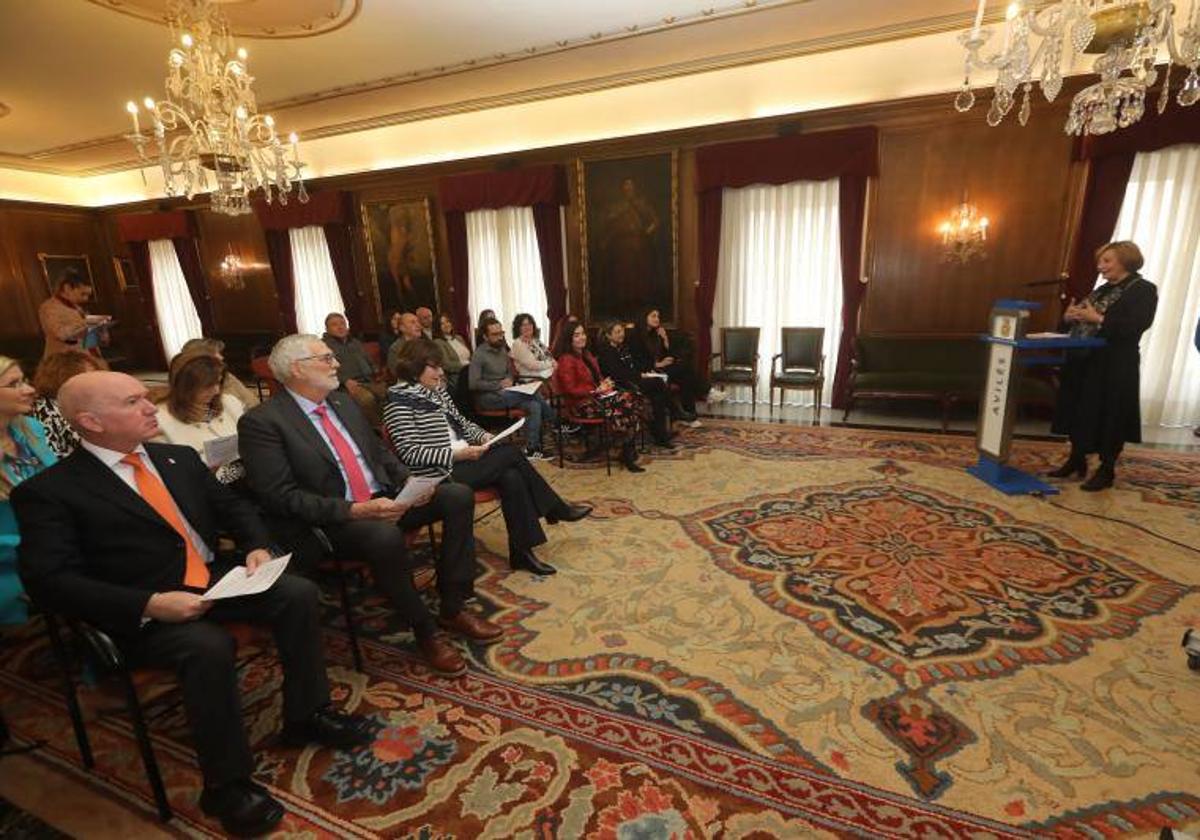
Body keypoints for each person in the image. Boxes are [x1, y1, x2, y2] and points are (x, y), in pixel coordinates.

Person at [12, 371, 372, 837]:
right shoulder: (50, 491)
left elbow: (236, 509)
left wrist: (254, 546)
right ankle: (227, 783)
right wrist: (150, 603)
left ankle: (307, 714)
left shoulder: (175, 458)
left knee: (297, 592)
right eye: (134, 401)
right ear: (91, 421)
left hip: (211, 580)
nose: (150, 407)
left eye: (146, 398)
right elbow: (49, 582)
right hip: (143, 607)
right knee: (206, 646)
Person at [238, 334, 502, 677]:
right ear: (296, 369)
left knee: (457, 495)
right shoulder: (263, 422)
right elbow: (280, 497)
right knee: (383, 537)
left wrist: (410, 482)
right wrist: (355, 511)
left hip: (384, 500)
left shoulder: (343, 403)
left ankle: (452, 605)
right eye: (326, 358)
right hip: (333, 520)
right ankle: (425, 631)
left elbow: (378, 453)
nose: (337, 364)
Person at [385, 340, 591, 577]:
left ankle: (522, 553)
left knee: (511, 476)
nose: (441, 372)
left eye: (440, 366)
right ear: (414, 368)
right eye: (434, 367)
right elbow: (411, 453)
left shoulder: (437, 391)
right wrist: (458, 453)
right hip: (437, 475)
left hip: (463, 459)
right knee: (512, 454)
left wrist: (484, 436)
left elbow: (462, 423)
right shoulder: (398, 402)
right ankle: (555, 508)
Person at [1049, 241, 1158, 491]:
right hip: (1086, 361)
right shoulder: (1101, 291)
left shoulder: (1143, 290)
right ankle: (1076, 461)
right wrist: (1068, 318)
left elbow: (1136, 325)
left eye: (1107, 261)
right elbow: (1081, 322)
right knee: (1079, 410)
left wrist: (1097, 318)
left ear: (1126, 260)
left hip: (1116, 363)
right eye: (1100, 261)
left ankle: (1106, 469)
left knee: (1111, 414)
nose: (1100, 266)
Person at [1, 356, 57, 625]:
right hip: (9, 565)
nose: (30, 389)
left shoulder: (31, 429)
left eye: (24, 379)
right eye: (15, 384)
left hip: (57, 548)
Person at [553, 322, 645, 472]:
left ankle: (625, 448)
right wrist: (596, 390)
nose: (582, 337)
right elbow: (570, 389)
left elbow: (597, 377)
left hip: (597, 398)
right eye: (576, 335)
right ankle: (625, 450)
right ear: (569, 339)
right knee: (624, 406)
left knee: (632, 399)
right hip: (581, 405)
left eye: (583, 333)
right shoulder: (566, 359)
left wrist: (604, 383)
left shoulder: (586, 354)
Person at [470, 317, 557, 461]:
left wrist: (510, 379)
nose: (500, 337)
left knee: (534, 405)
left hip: (507, 393)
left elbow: (509, 371)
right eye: (495, 334)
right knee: (534, 394)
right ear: (485, 336)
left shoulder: (502, 349)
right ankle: (555, 422)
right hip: (488, 398)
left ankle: (531, 448)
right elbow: (473, 383)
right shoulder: (479, 354)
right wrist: (498, 385)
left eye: (501, 333)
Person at [153, 354, 246, 485]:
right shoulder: (159, 418)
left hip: (247, 474)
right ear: (186, 386)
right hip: (204, 486)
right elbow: (168, 470)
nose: (216, 390)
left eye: (218, 382)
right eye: (208, 385)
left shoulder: (229, 402)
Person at [595, 320, 675, 449]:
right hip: (621, 386)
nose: (622, 335)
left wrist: (641, 374)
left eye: (622, 331)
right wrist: (639, 376)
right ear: (608, 335)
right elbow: (618, 375)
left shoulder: (622, 348)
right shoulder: (606, 352)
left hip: (632, 381)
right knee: (658, 383)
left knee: (657, 397)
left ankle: (661, 435)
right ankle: (670, 419)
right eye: (617, 332)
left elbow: (631, 368)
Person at [600, 178, 663, 318]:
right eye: (625, 188)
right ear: (622, 190)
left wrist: (646, 233)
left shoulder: (642, 204)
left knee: (639, 278)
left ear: (635, 189)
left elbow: (656, 221)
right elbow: (608, 222)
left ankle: (639, 306)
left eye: (631, 187)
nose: (628, 190)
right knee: (623, 278)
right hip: (622, 248)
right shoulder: (618, 206)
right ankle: (624, 306)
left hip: (639, 246)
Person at [631, 306, 702, 426]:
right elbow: (637, 362)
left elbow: (669, 355)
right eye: (653, 316)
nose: (657, 319)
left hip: (660, 368)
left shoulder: (655, 334)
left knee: (686, 374)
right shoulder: (635, 337)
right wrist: (657, 363)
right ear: (644, 318)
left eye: (658, 316)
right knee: (685, 371)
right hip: (647, 371)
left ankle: (689, 414)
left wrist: (665, 341)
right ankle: (706, 392)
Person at [32, 349, 105, 457]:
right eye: (89, 377)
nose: (98, 382)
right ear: (64, 378)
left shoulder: (77, 403)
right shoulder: (48, 411)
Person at [322, 313, 386, 425]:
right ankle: (378, 428)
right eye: (335, 325)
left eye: (342, 323)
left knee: (391, 393)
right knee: (367, 399)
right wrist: (344, 381)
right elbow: (326, 369)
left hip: (368, 380)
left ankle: (391, 424)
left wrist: (375, 370)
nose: (340, 327)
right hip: (346, 385)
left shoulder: (355, 342)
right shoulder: (324, 346)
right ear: (327, 329)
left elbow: (369, 361)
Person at [38, 269, 109, 359]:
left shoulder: (77, 307)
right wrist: (87, 324)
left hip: (88, 358)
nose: (86, 299)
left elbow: (89, 338)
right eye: (83, 294)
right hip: (65, 360)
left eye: (88, 295)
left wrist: (100, 333)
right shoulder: (49, 307)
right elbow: (60, 334)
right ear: (67, 288)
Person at [178, 337, 259, 409]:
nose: (221, 357)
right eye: (215, 353)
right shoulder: (189, 387)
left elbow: (253, 402)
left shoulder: (226, 376)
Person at [433, 312, 472, 393]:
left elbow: (469, 356)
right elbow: (446, 365)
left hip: (470, 371)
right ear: (438, 327)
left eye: (447, 321)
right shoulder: (438, 342)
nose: (446, 325)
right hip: (456, 377)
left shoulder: (459, 338)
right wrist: (465, 365)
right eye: (442, 324)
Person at [510, 313, 557, 380]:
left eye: (529, 324)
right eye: (523, 325)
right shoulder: (518, 344)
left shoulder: (536, 341)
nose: (527, 327)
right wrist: (551, 364)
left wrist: (554, 362)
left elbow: (549, 355)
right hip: (531, 378)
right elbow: (532, 365)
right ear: (518, 328)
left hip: (546, 373)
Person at [385, 312, 425, 378]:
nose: (418, 325)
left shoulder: (425, 344)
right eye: (413, 322)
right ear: (402, 328)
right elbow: (397, 373)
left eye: (418, 322)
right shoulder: (395, 349)